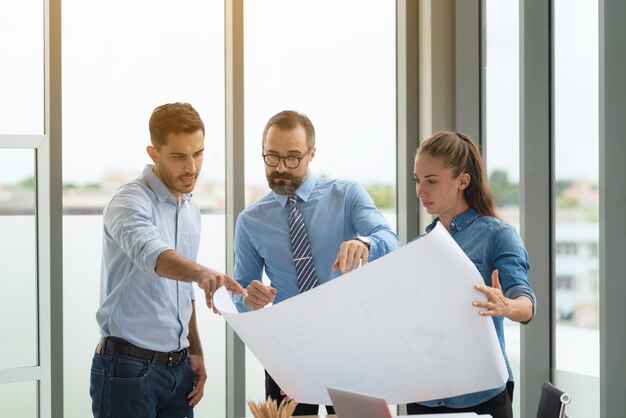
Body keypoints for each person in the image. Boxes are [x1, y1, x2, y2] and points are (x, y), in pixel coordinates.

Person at [232, 110, 400, 415]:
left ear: (312, 154)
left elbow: (389, 239)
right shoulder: (250, 221)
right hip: (287, 357)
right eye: (272, 157)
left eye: (293, 157)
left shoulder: (346, 195)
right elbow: (240, 289)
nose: (281, 167)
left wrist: (365, 243)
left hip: (351, 351)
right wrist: (248, 298)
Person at [90, 102, 246, 418]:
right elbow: (154, 256)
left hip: (179, 370)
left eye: (198, 153)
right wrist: (202, 272)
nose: (191, 167)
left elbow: (182, 291)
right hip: (127, 371)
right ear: (153, 153)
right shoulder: (129, 201)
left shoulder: (189, 209)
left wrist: (196, 350)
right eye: (178, 156)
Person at [407, 130, 537, 418]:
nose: (420, 192)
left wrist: (505, 306)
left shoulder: (498, 235)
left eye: (431, 181)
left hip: (481, 397)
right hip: (423, 395)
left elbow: (526, 306)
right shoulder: (418, 246)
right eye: (417, 180)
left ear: (463, 181)